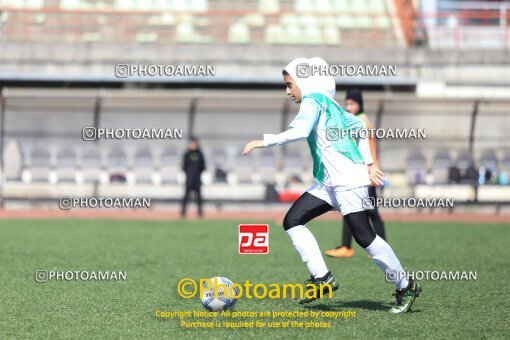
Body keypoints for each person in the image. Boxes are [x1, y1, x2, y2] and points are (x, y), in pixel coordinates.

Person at [242, 57, 421, 313]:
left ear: (303, 82)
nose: (287, 90)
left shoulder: (313, 100)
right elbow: (359, 125)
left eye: (289, 84)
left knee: (364, 236)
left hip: (347, 181)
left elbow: (301, 131)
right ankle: (322, 278)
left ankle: (405, 286)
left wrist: (263, 142)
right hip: (328, 183)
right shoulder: (330, 104)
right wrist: (368, 163)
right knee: (292, 220)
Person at [324, 89, 387, 258]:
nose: (348, 107)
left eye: (352, 103)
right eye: (347, 103)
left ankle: (375, 247)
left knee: (371, 212)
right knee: (355, 208)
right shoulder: (360, 119)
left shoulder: (360, 121)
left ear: (360, 104)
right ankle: (348, 246)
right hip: (363, 173)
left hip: (366, 174)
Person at [180, 137, 206, 218]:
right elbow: (184, 166)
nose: (193, 145)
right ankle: (183, 213)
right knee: (186, 196)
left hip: (197, 178)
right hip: (189, 178)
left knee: (198, 197)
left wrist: (197, 172)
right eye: (192, 144)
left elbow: (203, 166)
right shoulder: (187, 154)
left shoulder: (200, 154)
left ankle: (200, 213)